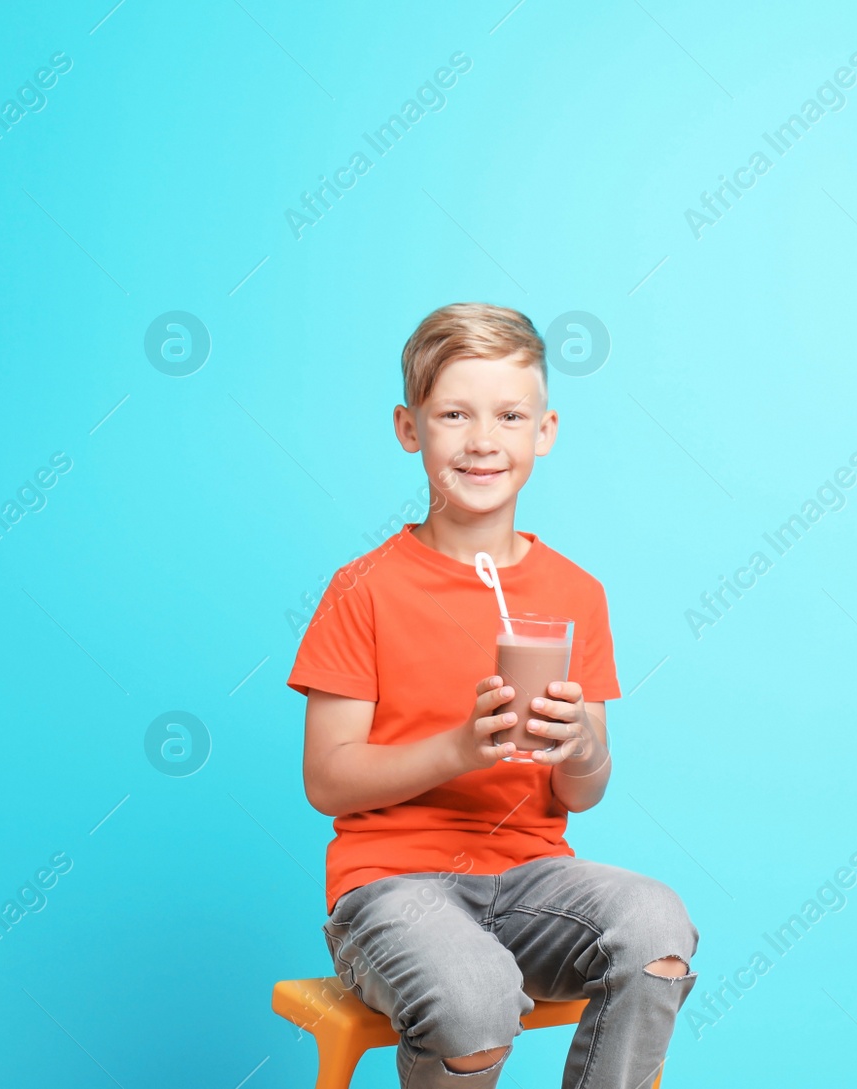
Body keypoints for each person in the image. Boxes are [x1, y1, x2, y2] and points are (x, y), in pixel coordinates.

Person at [287, 302, 698, 1088]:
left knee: (656, 926)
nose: (483, 441)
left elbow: (582, 790)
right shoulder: (363, 590)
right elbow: (326, 779)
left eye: (509, 415)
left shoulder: (576, 592)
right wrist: (456, 748)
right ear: (411, 429)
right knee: (474, 999)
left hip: (533, 882)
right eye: (453, 414)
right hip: (391, 886)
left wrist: (585, 745)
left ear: (543, 431)